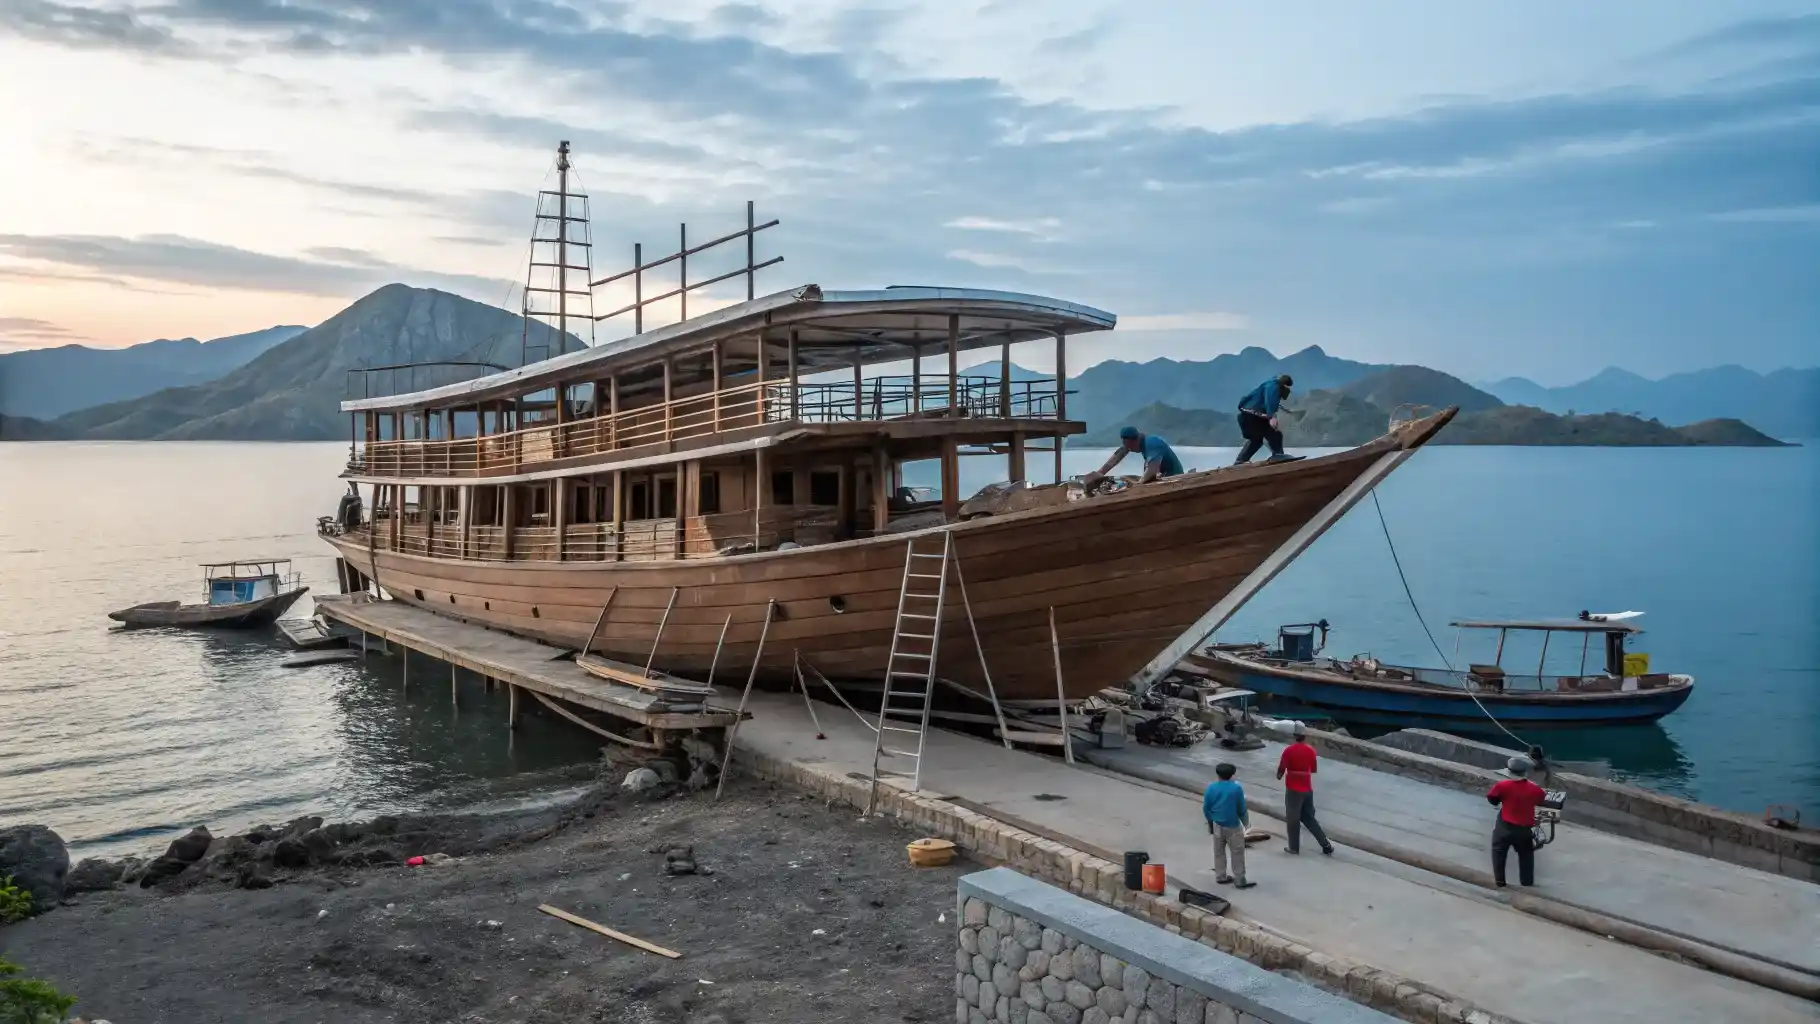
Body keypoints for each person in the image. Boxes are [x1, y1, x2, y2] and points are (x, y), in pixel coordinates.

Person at [1487, 756, 1547, 888]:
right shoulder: (1535, 789)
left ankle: (1500, 882)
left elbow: (1492, 798)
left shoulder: (1502, 785)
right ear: (1525, 772)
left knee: (1498, 851)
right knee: (1526, 855)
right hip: (1524, 829)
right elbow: (1541, 800)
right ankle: (1526, 882)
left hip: (1505, 826)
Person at [1276, 722, 1334, 856]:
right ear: (1305, 736)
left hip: (1293, 789)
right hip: (1307, 788)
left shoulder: (1289, 750)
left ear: (1294, 735)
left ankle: (1294, 847)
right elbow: (1313, 769)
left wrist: (1280, 775)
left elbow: (1281, 769)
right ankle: (1325, 844)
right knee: (1309, 818)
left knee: (1293, 818)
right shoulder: (1311, 750)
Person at [1202, 762, 1256, 889]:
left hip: (1217, 825)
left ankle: (1220, 876)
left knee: (1219, 851)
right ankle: (1239, 879)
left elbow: (1206, 808)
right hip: (1233, 826)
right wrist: (1246, 823)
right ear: (1232, 775)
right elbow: (1241, 808)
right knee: (1237, 852)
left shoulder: (1211, 788)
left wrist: (1210, 822)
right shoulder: (1236, 789)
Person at [1083, 426, 1183, 489]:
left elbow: (1152, 470)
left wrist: (1137, 486)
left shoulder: (1152, 443)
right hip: (1162, 477)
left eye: (1129, 447)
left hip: (1175, 480)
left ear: (1135, 441)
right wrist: (1100, 472)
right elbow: (1119, 455)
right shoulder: (1139, 442)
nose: (1128, 449)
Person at [1235, 374, 1301, 465]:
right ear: (1284, 385)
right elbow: (1270, 399)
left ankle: (1239, 462)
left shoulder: (1269, 384)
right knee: (1275, 435)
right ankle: (1278, 456)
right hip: (1251, 418)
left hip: (1247, 417)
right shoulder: (1273, 386)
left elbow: (1268, 402)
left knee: (1257, 440)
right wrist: (1271, 417)